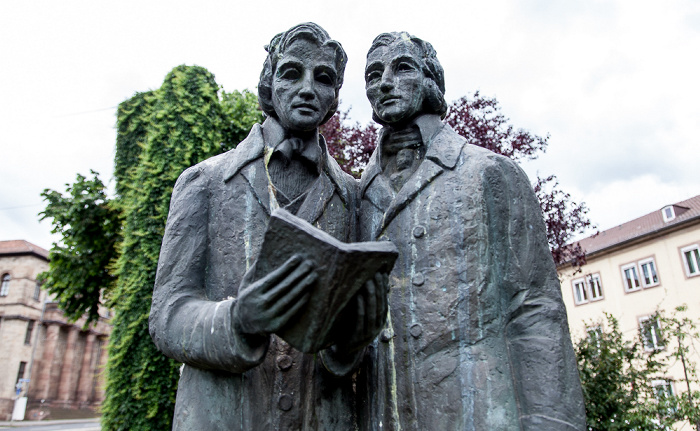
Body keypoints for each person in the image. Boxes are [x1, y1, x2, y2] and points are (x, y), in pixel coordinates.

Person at [149, 23, 385, 430]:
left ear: (334, 97)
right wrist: (236, 320)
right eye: (292, 73)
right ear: (268, 82)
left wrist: (352, 341)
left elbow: (346, 344)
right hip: (226, 415)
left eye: (323, 78)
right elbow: (167, 317)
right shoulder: (205, 181)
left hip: (319, 415)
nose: (308, 88)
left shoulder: (351, 195)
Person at [356, 32, 587, 430]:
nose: (385, 82)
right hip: (384, 415)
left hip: (477, 409)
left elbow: (534, 309)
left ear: (432, 81)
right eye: (374, 74)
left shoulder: (489, 172)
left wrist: (552, 422)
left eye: (402, 67)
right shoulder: (358, 193)